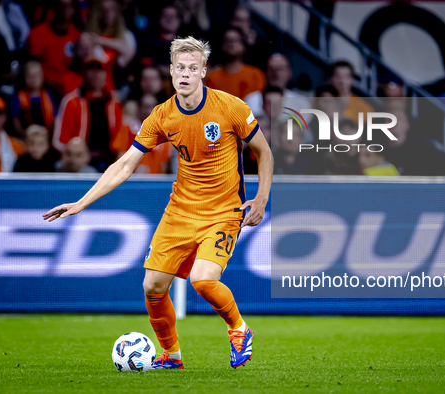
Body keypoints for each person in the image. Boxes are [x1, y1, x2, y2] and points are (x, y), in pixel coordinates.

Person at [43, 36, 273, 369]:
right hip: (180, 211)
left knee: (203, 280)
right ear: (171, 70)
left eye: (192, 68)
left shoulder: (230, 107)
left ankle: (239, 329)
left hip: (223, 211)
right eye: (180, 67)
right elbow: (125, 164)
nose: (185, 74)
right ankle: (171, 355)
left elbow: (263, 151)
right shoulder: (162, 116)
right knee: (152, 286)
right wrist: (82, 202)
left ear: (203, 72)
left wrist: (262, 198)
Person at [53, 59, 130, 172]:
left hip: (108, 160)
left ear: (105, 74)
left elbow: (120, 135)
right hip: (79, 160)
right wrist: (76, 156)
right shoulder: (71, 101)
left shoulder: (114, 103)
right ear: (84, 73)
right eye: (91, 71)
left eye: (99, 71)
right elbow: (60, 140)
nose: (95, 75)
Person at [25, 0, 82, 94]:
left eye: (69, 6)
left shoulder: (78, 36)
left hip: (70, 89)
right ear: (55, 7)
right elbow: (32, 67)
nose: (65, 9)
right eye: (62, 5)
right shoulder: (38, 33)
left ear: (74, 10)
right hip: (44, 88)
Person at [204, 27, 265, 100]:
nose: (231, 43)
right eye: (228, 40)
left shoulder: (255, 75)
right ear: (222, 45)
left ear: (243, 45)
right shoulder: (212, 76)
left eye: (235, 40)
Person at [10, 61, 56, 138]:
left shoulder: (49, 96)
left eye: (37, 75)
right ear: (24, 77)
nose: (34, 78)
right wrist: (23, 134)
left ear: (42, 77)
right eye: (30, 75)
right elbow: (16, 121)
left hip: (46, 136)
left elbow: (54, 118)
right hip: (26, 136)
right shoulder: (18, 97)